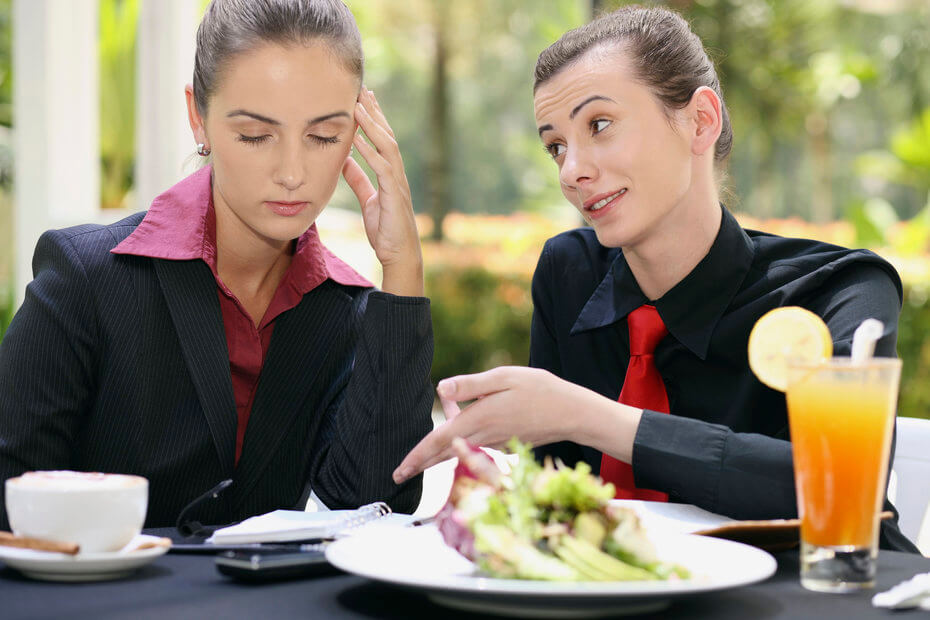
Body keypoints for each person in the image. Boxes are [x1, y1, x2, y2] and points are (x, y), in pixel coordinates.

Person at [394, 5, 917, 552]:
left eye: (599, 125)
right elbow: (560, 504)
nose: (571, 171)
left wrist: (584, 416)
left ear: (700, 121)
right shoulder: (568, 275)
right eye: (556, 146)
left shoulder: (841, 290)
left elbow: (840, 484)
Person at [0, 0, 433, 530]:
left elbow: (373, 505)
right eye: (255, 135)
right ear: (198, 118)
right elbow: (8, 503)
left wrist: (403, 267)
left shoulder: (349, 310)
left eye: (323, 136)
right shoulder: (84, 280)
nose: (292, 173)